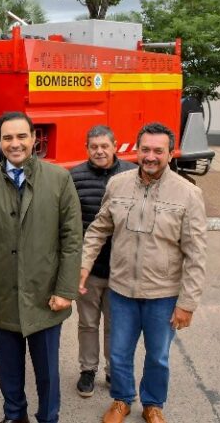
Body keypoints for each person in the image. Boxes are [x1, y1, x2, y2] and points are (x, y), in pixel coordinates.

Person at [80, 123, 208, 423]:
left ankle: (153, 404)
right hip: (121, 289)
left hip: (163, 295)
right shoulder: (118, 184)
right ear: (137, 150)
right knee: (120, 353)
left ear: (170, 153)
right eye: (145, 149)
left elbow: (196, 253)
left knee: (158, 357)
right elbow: (99, 228)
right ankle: (122, 400)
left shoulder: (188, 194)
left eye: (158, 151)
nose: (150, 156)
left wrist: (187, 303)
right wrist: (83, 266)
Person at [0, 111, 83, 423]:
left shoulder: (58, 179)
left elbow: (72, 239)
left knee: (46, 371)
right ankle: (14, 415)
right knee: (9, 368)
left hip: (46, 296)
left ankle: (48, 416)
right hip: (2, 293)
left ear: (33, 138)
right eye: (7, 138)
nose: (14, 144)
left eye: (21, 136)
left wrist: (66, 290)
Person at [69, 125, 137, 398]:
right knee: (87, 323)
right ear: (87, 148)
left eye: (104, 146)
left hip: (121, 269)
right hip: (89, 269)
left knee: (115, 324)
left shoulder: (131, 175)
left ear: (114, 145)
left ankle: (112, 370)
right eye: (94, 146)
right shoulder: (73, 177)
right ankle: (88, 370)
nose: (99, 151)